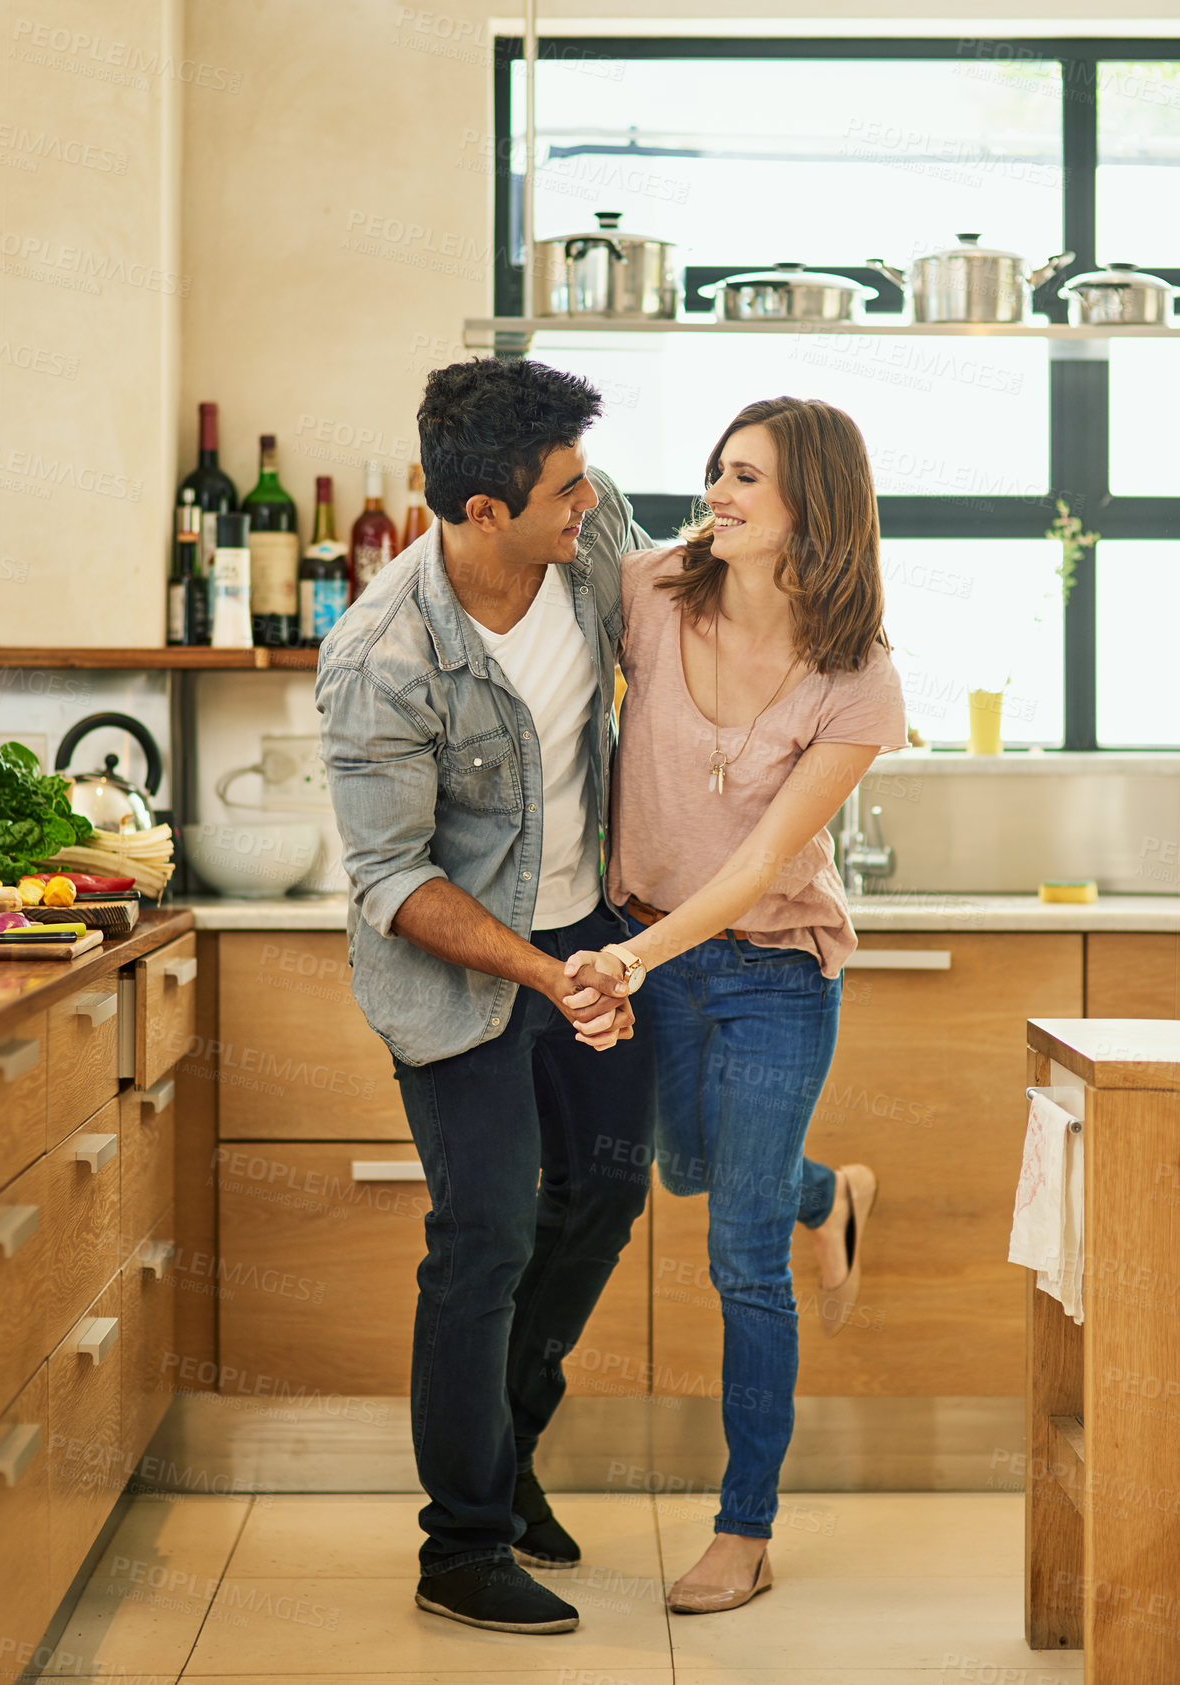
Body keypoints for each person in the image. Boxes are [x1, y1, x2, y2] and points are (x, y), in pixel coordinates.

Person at [316, 358, 656, 1637]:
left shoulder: (588, 530)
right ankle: (459, 1545)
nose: (590, 502)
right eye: (563, 489)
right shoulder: (380, 656)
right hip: (459, 974)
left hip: (589, 930)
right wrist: (542, 973)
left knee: (609, 1184)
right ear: (477, 512)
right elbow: (395, 877)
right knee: (486, 1235)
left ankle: (504, 1453)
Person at [559, 395, 909, 1615]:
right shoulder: (651, 594)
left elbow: (761, 866)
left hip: (768, 967)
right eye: (716, 468)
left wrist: (631, 958)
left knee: (740, 1257)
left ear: (811, 503)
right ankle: (830, 1188)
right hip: (647, 944)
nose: (718, 490)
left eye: (746, 477)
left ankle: (742, 1527)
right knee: (687, 1165)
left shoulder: (855, 678)